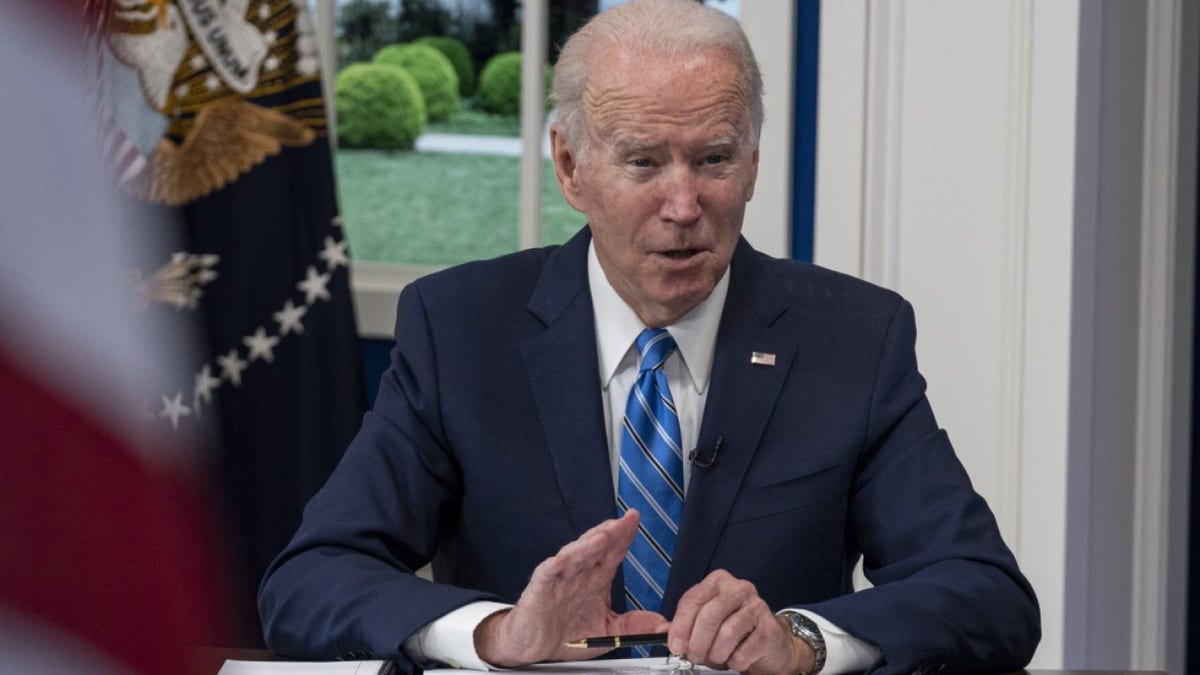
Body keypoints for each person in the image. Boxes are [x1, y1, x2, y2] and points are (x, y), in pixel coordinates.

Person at [259, 1, 1040, 673]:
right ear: (570, 168)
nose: (683, 203)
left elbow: (987, 594)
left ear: (754, 163)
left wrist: (802, 641)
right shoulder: (460, 328)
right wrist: (498, 633)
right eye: (642, 161)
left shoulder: (853, 338)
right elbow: (311, 578)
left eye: (714, 159)